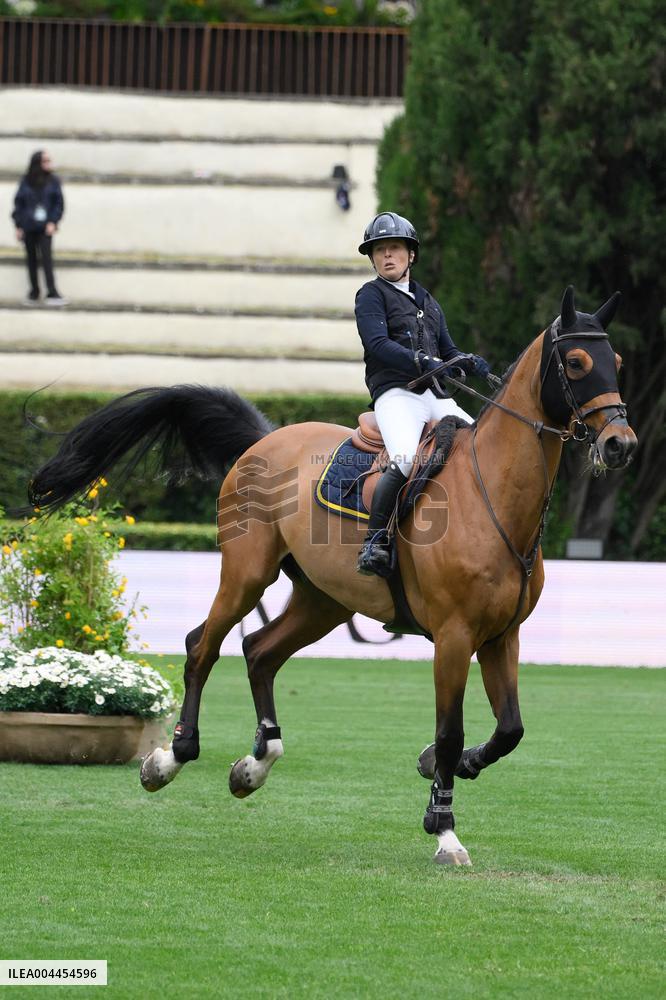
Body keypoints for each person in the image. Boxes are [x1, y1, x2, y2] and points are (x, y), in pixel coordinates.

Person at [355, 211, 491, 577]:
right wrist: (421, 359)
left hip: (434, 396)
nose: (387, 256)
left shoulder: (428, 301)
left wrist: (469, 362)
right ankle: (375, 542)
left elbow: (447, 352)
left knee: (483, 446)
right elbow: (377, 344)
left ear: (410, 254)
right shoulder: (370, 295)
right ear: (373, 258)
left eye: (394, 248)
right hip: (396, 395)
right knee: (403, 458)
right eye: (380, 250)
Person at [12, 150, 67, 306]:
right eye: (46, 161)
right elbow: (19, 204)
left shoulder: (53, 181)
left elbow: (58, 204)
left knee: (47, 259)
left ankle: (52, 292)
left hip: (45, 227)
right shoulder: (26, 181)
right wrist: (18, 225)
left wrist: (53, 222)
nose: (49, 164)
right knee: (31, 260)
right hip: (29, 226)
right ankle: (34, 292)